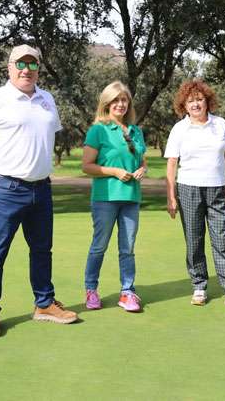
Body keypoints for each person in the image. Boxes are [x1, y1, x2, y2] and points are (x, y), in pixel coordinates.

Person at [0, 44, 78, 337]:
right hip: (7, 188)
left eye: (32, 64)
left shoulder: (47, 100)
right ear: (9, 67)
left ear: (39, 68)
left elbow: (44, 136)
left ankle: (44, 304)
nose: (26, 70)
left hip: (41, 189)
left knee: (42, 249)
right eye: (20, 64)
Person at [164, 80, 225, 312]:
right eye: (191, 100)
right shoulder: (179, 129)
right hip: (188, 188)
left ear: (207, 101)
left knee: (222, 239)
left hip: (217, 189)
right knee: (194, 240)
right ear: (184, 104)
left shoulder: (220, 124)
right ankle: (199, 286)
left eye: (199, 99)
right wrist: (170, 196)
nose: (195, 104)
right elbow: (172, 165)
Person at [81, 81, 147, 312]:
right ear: (107, 103)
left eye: (124, 100)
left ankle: (127, 292)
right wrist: (115, 172)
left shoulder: (136, 131)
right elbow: (87, 166)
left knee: (127, 248)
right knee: (99, 245)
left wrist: (142, 169)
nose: (120, 104)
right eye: (116, 100)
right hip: (105, 198)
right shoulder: (98, 130)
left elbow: (141, 160)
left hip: (131, 198)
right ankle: (91, 290)